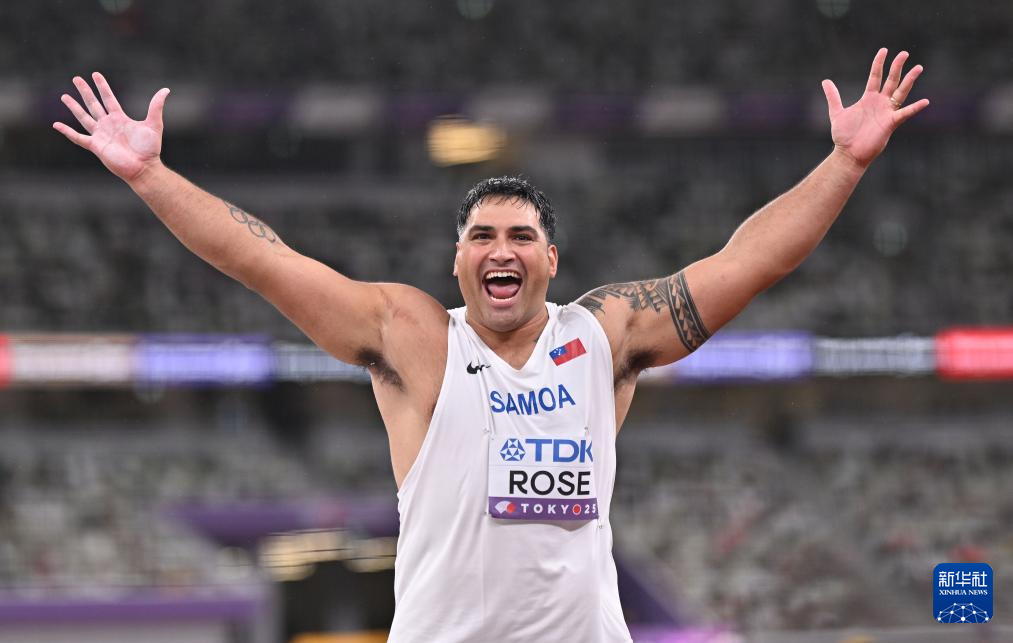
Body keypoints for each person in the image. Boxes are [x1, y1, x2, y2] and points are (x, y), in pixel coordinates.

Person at [54, 48, 927, 642]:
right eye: (480, 235)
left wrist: (844, 164)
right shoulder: (413, 336)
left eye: (518, 235)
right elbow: (265, 260)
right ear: (458, 260)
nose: (499, 249)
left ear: (550, 259)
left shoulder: (606, 331)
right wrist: (151, 176)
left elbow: (747, 262)